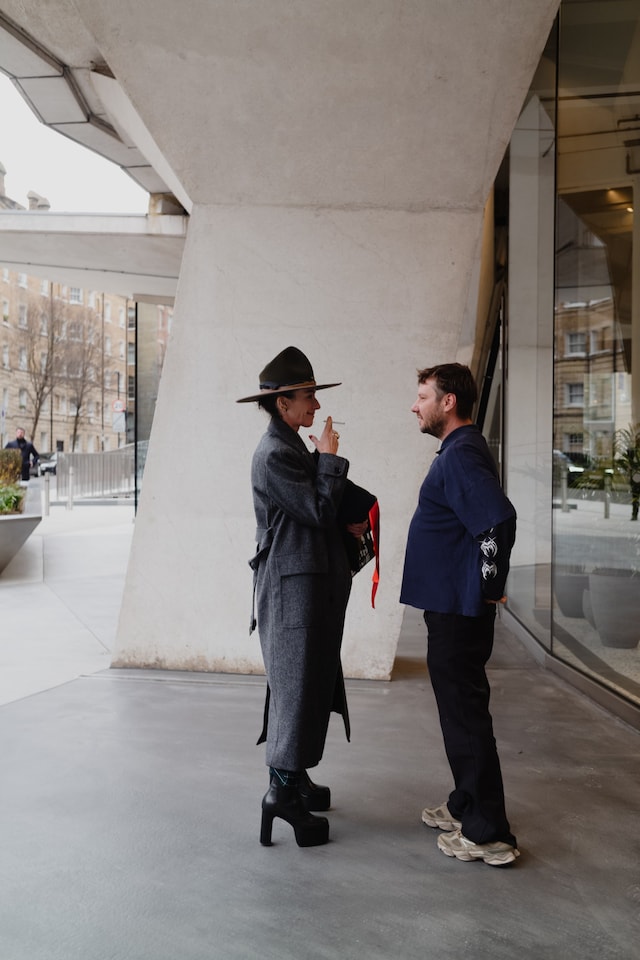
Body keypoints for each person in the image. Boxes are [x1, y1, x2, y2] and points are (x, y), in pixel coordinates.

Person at [237, 346, 369, 848]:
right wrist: (330, 457)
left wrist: (348, 519)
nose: (314, 406)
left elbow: (318, 509)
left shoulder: (288, 445)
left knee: (311, 681)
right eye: (308, 396)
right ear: (281, 403)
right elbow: (315, 507)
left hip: (306, 584)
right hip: (292, 590)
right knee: (295, 685)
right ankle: (282, 793)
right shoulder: (273, 454)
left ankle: (297, 777)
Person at [400, 363, 519, 867]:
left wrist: (488, 590)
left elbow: (497, 523)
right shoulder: (459, 450)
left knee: (466, 716)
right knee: (458, 715)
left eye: (423, 395)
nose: (415, 404)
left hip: (458, 611)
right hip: (451, 606)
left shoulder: (461, 454)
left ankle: (489, 832)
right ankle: (466, 803)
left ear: (448, 402)